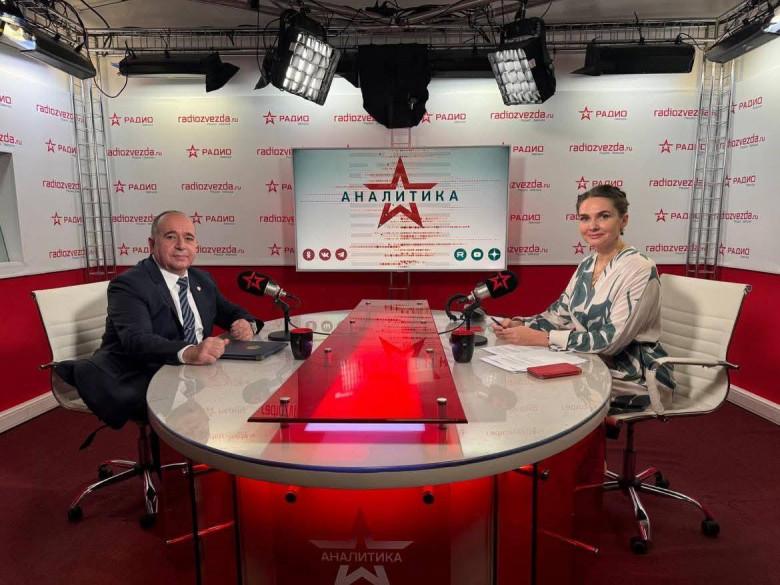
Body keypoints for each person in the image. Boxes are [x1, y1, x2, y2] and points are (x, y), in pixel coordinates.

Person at [58, 210, 262, 429]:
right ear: (152, 244)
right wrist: (190, 352)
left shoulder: (201, 279)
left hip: (192, 373)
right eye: (171, 237)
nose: (181, 245)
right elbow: (137, 340)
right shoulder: (130, 284)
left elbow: (232, 312)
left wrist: (246, 324)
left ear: (196, 246)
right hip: (143, 371)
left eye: (188, 238)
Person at [492, 185, 675, 407]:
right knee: (532, 378)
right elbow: (559, 316)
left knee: (549, 390)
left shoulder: (640, 268)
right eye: (585, 218)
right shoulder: (587, 264)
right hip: (590, 361)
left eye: (603, 216)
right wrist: (521, 324)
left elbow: (610, 342)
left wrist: (542, 338)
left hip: (635, 375)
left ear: (623, 220)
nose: (592, 226)